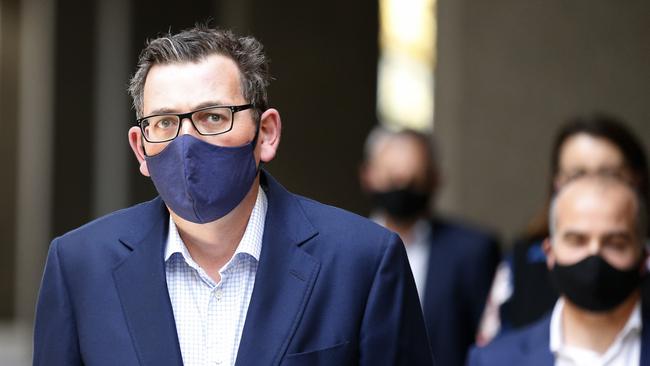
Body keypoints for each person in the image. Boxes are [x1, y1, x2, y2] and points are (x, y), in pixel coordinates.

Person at [33, 26, 434, 366]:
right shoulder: (79, 267)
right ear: (141, 149)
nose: (186, 141)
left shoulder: (362, 262)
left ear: (267, 133)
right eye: (165, 121)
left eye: (213, 117)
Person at [477, 114, 650, 344]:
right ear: (557, 182)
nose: (592, 187)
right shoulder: (522, 262)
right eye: (578, 175)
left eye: (610, 175)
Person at [468, 175, 650, 365]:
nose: (594, 255)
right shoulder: (492, 361)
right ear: (549, 252)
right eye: (577, 240)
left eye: (615, 244)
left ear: (644, 257)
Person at [359, 127, 500, 366]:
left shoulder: (472, 252)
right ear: (368, 176)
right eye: (393, 179)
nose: (403, 188)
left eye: (414, 180)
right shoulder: (347, 246)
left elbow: (490, 342)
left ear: (435, 179)